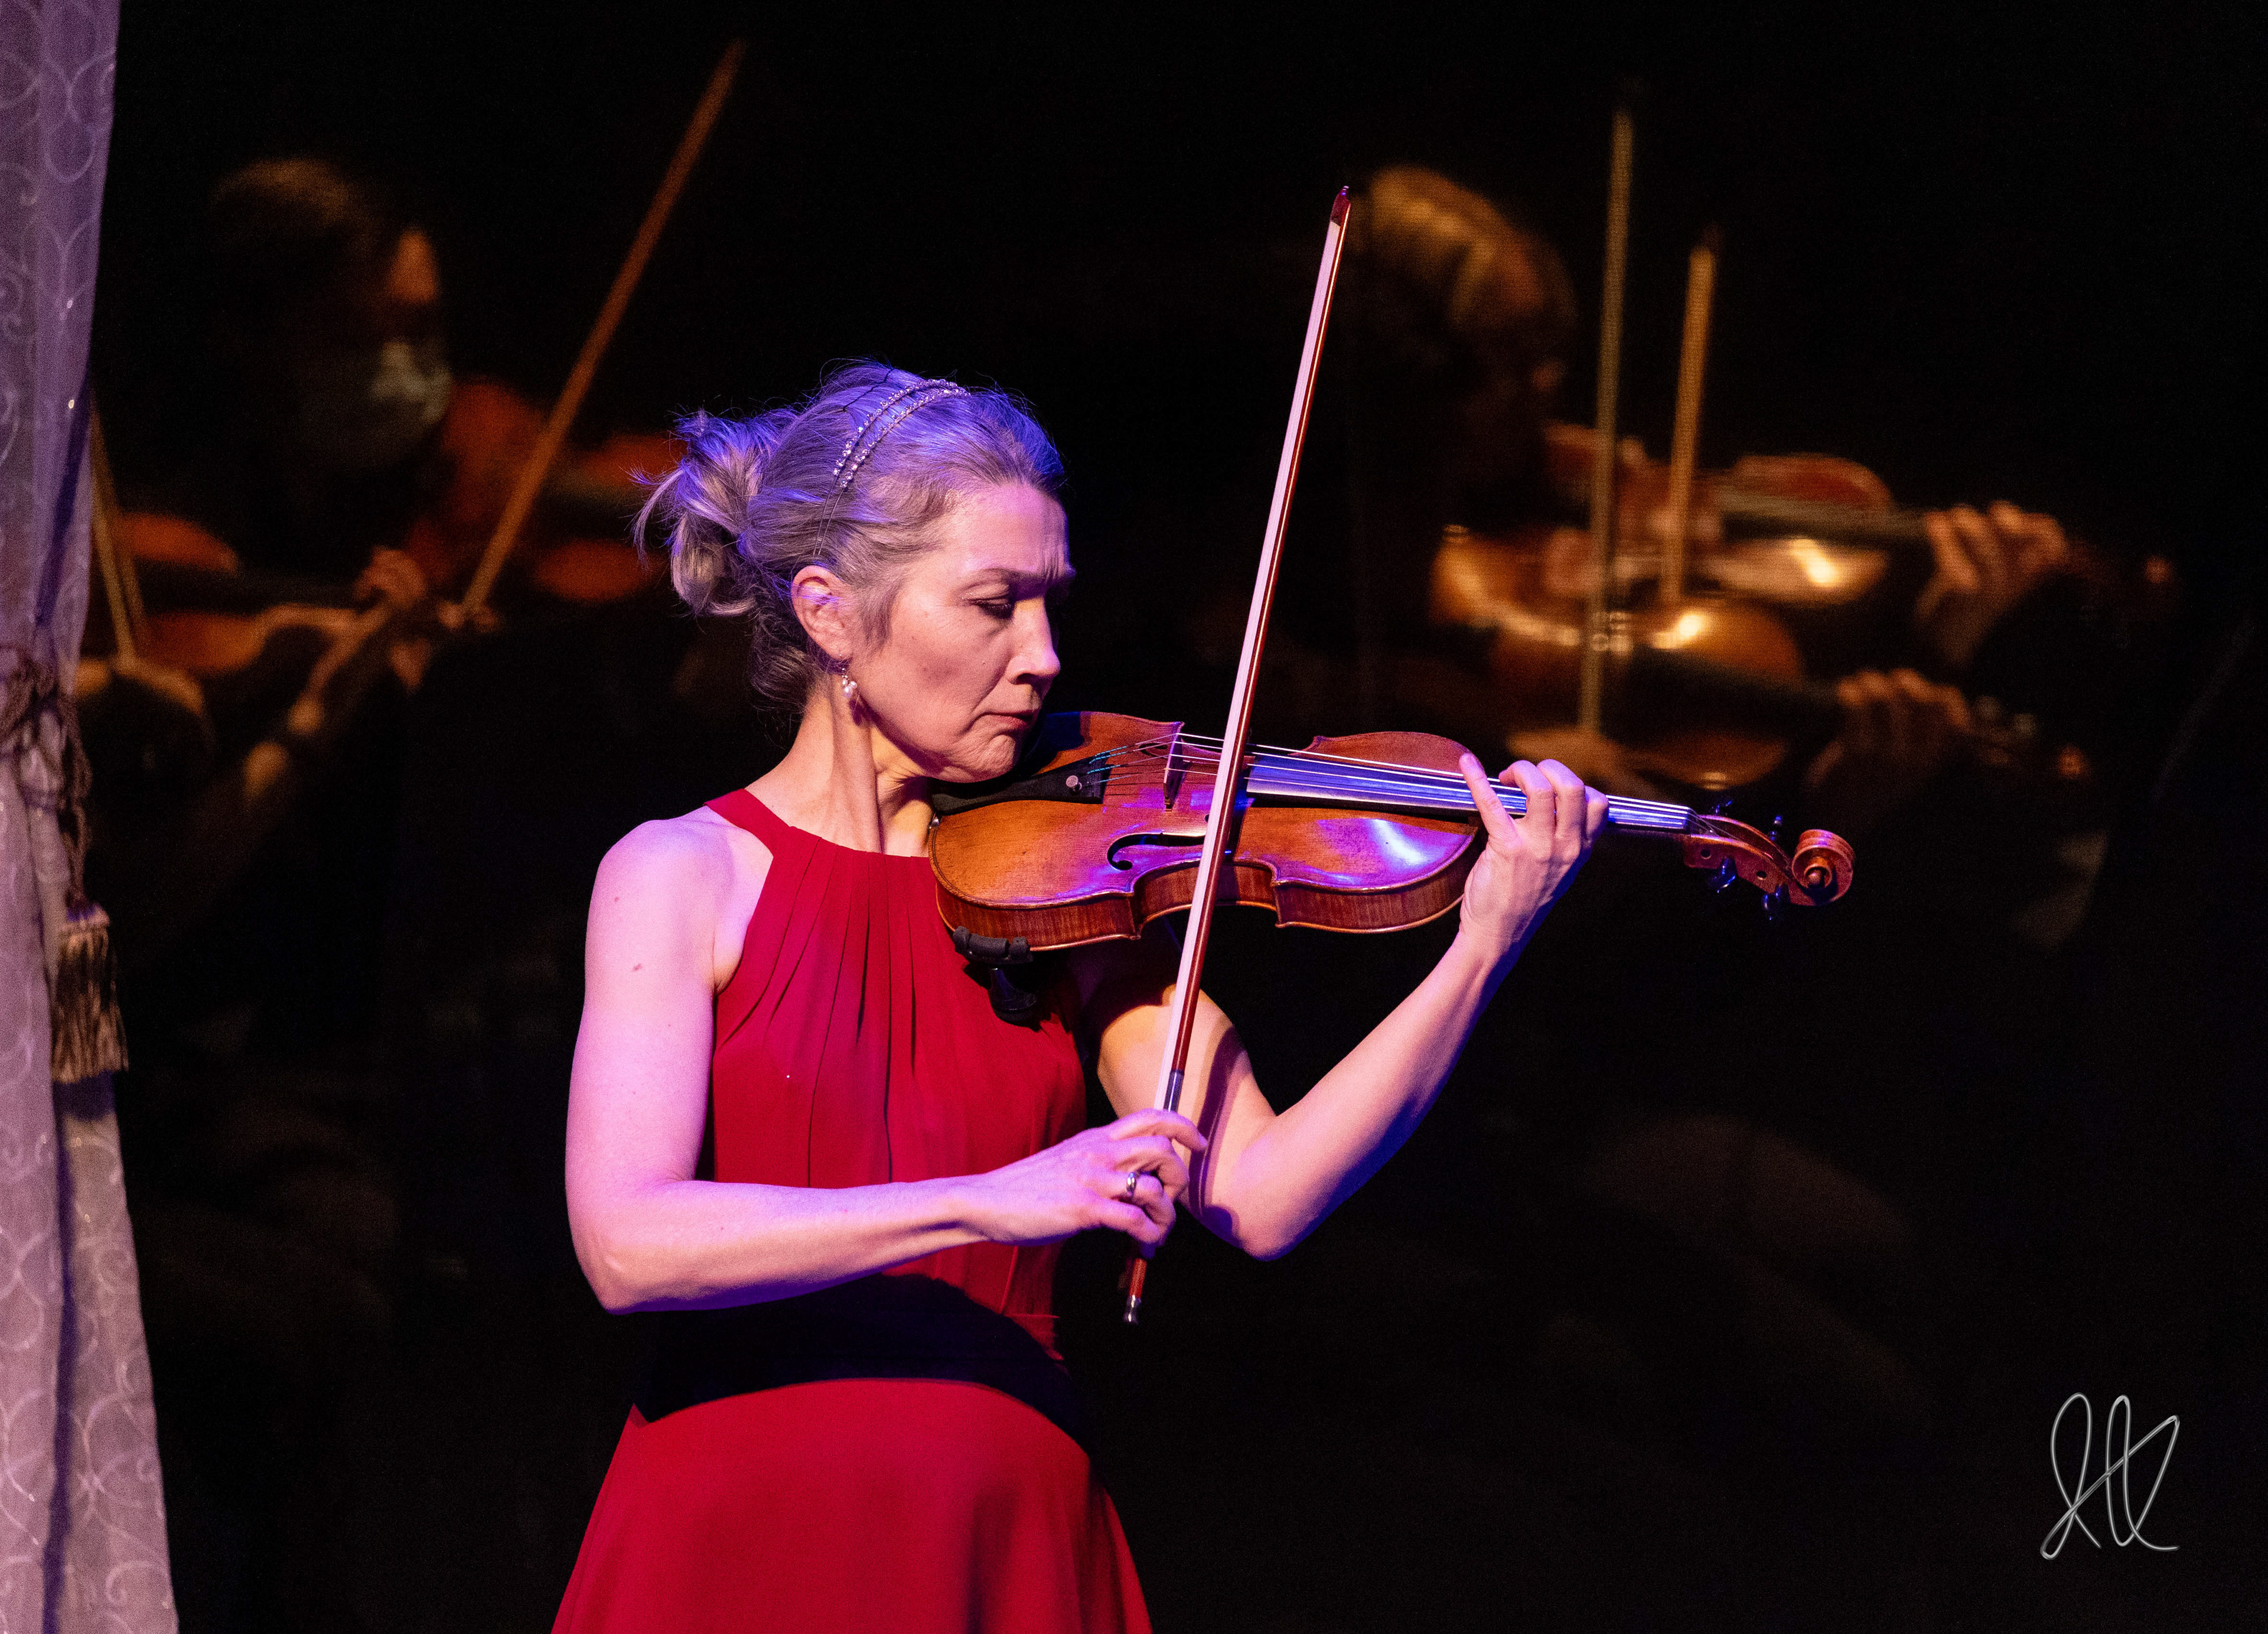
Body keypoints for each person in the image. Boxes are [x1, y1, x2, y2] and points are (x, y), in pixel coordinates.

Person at [552, 363, 1608, 1632]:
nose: (1043, 658)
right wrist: (989, 1201)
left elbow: (1264, 1195)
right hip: (743, 1530)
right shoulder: (681, 871)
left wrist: (1482, 944)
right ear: (832, 614)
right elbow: (627, 1241)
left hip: (1009, 1541)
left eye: (1050, 607)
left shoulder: (1057, 895)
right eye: (994, 605)